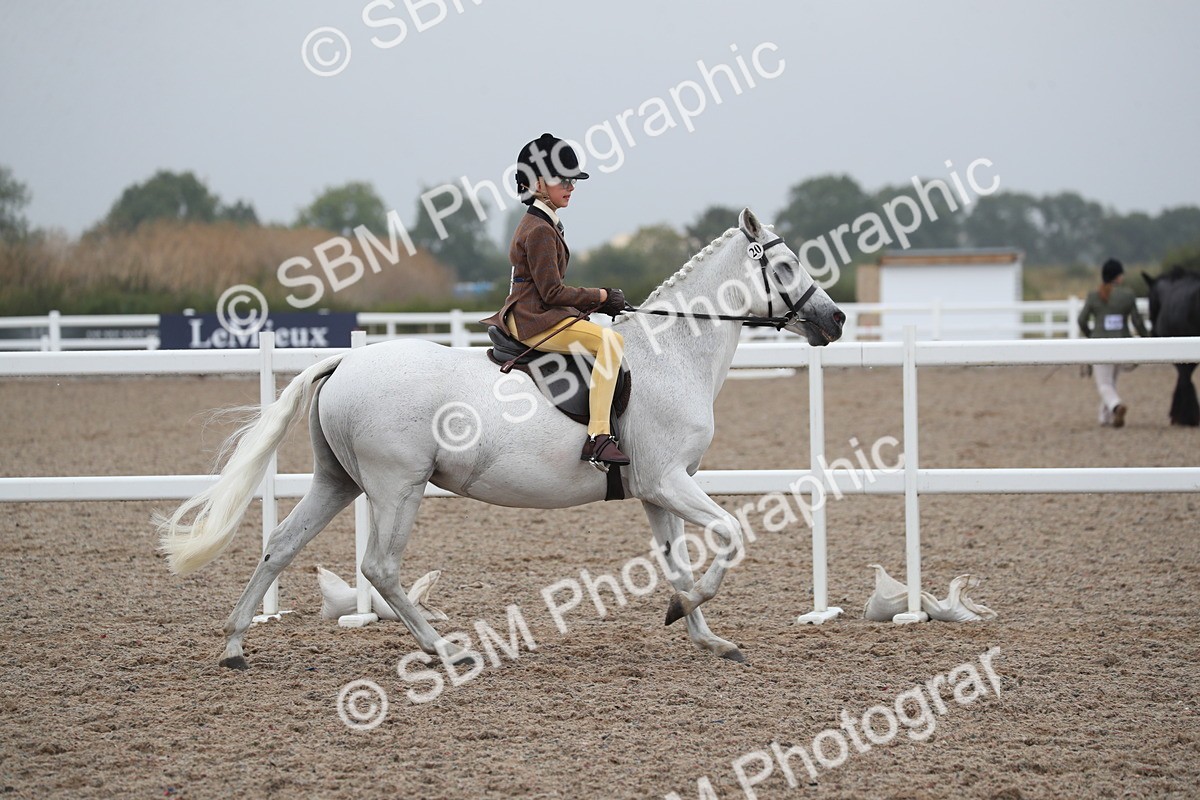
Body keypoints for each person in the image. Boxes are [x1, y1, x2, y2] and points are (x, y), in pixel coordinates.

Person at [481, 133, 630, 466]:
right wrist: (601, 296)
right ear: (537, 182)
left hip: (536, 312)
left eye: (572, 180)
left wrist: (586, 306)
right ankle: (599, 437)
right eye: (562, 180)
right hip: (533, 319)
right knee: (611, 342)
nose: (571, 186)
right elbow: (551, 292)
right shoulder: (539, 230)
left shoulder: (545, 223)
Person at [1077, 258, 1148, 428]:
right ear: (1118, 277)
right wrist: (1147, 339)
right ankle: (1105, 418)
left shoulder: (1094, 296)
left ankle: (1116, 406)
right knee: (1111, 382)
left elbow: (1081, 320)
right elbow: (1137, 321)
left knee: (1104, 384)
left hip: (1100, 345)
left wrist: (1090, 335)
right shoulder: (1128, 295)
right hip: (1122, 344)